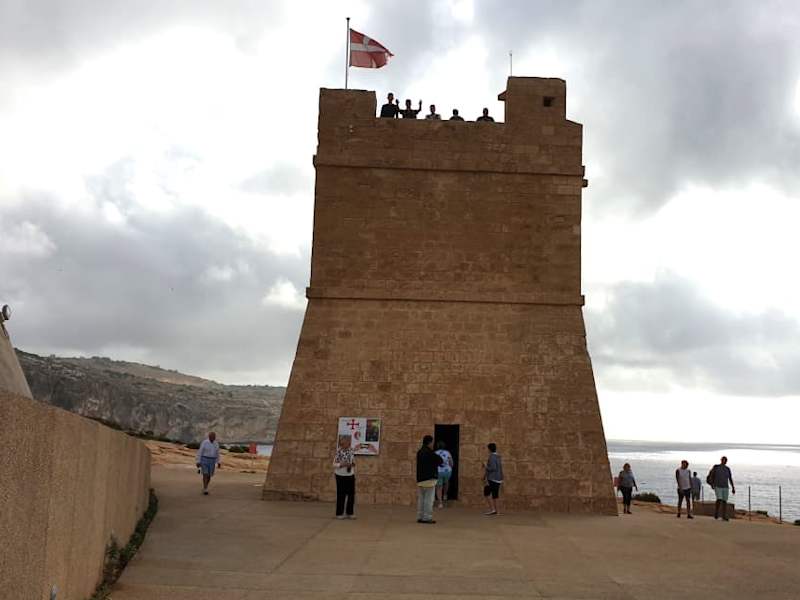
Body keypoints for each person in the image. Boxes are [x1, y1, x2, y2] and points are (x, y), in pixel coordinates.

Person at [416, 435, 442, 523]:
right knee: (429, 499)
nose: (433, 444)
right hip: (429, 479)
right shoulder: (430, 452)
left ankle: (420, 516)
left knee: (421, 499)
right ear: (429, 442)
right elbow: (440, 460)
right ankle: (427, 517)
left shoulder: (419, 452)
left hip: (420, 479)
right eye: (432, 442)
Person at [333, 434, 356, 519]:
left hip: (350, 474)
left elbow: (353, 461)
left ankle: (350, 513)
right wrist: (341, 464)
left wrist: (351, 464)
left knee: (351, 494)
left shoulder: (351, 451)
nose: (347, 444)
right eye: (345, 442)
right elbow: (334, 464)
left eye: (348, 442)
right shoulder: (338, 452)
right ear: (341, 444)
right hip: (340, 475)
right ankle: (339, 513)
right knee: (341, 494)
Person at [708, 456, 735, 521]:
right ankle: (716, 513)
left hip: (725, 486)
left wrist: (733, 487)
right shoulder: (716, 467)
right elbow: (711, 475)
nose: (724, 461)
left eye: (725, 460)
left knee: (724, 501)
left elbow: (730, 478)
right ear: (721, 460)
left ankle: (723, 515)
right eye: (723, 460)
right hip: (718, 486)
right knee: (719, 499)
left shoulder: (727, 469)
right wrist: (712, 484)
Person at [195, 431, 221, 495]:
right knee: (205, 474)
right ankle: (205, 488)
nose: (213, 438)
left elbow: (217, 453)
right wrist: (198, 461)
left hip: (212, 460)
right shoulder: (205, 442)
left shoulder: (216, 443)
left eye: (214, 437)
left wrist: (218, 462)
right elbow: (200, 452)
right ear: (209, 436)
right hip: (204, 459)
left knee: (209, 475)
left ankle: (205, 486)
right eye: (212, 436)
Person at [483, 443, 504, 516]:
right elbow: (499, 468)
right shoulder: (498, 456)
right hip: (498, 478)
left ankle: (493, 510)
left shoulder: (491, 457)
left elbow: (493, 468)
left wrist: (485, 466)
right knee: (495, 495)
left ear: (489, 449)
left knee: (486, 493)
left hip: (492, 478)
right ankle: (498, 512)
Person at [434, 440, 454, 508]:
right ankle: (445, 495)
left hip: (438, 471)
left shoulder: (435, 453)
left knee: (439, 487)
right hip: (447, 471)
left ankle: (440, 503)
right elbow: (451, 462)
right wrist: (450, 467)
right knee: (446, 482)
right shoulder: (447, 452)